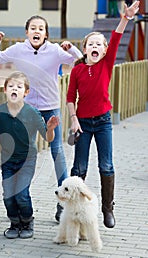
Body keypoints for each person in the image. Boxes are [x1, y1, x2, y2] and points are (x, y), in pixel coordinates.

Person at [0, 15, 83, 222]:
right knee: (25, 150)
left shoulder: (55, 50)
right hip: (26, 109)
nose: (37, 31)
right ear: (27, 32)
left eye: (41, 28)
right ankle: (21, 200)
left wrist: (70, 48)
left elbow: (79, 60)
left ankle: (63, 204)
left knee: (56, 150)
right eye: (33, 28)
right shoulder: (18, 49)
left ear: (46, 33)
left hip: (50, 108)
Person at [66, 1, 140, 229]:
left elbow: (116, 37)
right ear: (85, 48)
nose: (95, 46)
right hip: (83, 124)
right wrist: (74, 119)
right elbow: (70, 97)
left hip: (103, 122)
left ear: (105, 50)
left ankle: (108, 209)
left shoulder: (106, 64)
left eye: (100, 43)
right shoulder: (77, 70)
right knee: (79, 169)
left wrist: (125, 18)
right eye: (91, 43)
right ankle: (73, 208)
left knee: (106, 166)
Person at [0, 71, 59, 239]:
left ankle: (27, 221)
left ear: (26, 92)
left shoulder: (32, 112)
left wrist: (51, 129)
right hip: (8, 161)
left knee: (21, 194)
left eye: (19, 87)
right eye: (11, 86)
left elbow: (47, 138)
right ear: (5, 90)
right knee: (8, 196)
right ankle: (14, 222)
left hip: (27, 160)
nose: (14, 89)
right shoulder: (0, 112)